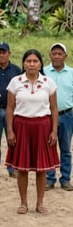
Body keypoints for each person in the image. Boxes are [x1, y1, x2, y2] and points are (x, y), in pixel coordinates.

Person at [5, 49, 59, 215]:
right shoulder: (16, 82)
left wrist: (54, 130)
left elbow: (54, 108)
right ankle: (23, 203)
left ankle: (40, 202)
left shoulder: (48, 82)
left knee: (41, 168)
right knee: (22, 168)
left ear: (40, 64)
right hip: (21, 126)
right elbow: (10, 108)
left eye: (35, 61)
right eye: (28, 61)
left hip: (43, 126)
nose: (31, 64)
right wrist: (10, 130)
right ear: (23, 63)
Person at [0, 42, 21, 178]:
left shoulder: (17, 70)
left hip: (12, 111)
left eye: (4, 52)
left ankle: (12, 168)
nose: (1, 55)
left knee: (12, 140)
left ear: (9, 54)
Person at [44, 43, 73, 191]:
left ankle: (65, 179)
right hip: (47, 116)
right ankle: (49, 179)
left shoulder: (71, 73)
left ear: (65, 56)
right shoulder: (43, 72)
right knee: (49, 147)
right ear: (50, 56)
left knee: (66, 148)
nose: (56, 56)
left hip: (67, 115)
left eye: (59, 53)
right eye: (54, 53)